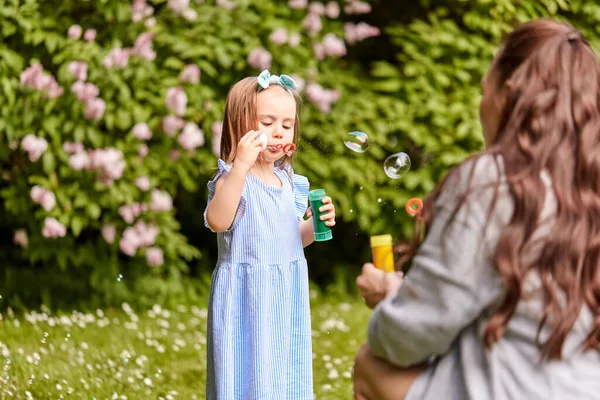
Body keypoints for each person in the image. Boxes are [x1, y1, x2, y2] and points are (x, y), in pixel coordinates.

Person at [353, 18, 600, 400]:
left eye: (485, 88)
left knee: (371, 362)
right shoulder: (588, 186)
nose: (482, 103)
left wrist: (389, 299)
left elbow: (407, 339)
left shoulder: (497, 180)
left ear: (509, 91)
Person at [203, 69, 336, 399]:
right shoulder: (233, 180)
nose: (278, 132)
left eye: (287, 125)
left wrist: (314, 225)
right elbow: (218, 220)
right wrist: (240, 167)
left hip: (284, 298)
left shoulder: (290, 181)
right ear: (240, 125)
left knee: (284, 372)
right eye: (267, 123)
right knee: (251, 376)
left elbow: (290, 238)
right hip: (247, 300)